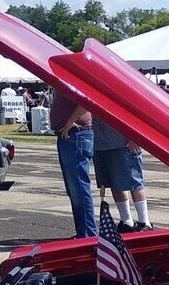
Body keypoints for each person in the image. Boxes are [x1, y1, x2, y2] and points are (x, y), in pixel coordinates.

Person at [51, 85, 97, 238]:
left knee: (79, 189)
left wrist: (70, 122)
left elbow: (86, 101)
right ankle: (83, 232)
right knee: (74, 189)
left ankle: (87, 234)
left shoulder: (72, 79)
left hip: (76, 134)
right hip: (69, 135)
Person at [93, 115, 151, 230]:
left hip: (123, 143)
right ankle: (126, 221)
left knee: (134, 182)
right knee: (115, 184)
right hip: (101, 142)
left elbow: (133, 111)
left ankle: (144, 222)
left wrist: (134, 135)